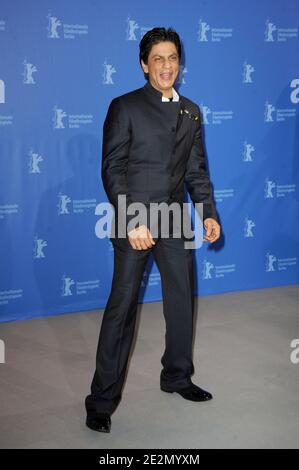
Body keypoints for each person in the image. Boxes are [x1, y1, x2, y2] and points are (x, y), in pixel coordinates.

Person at [85, 27, 221, 433]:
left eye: (173, 58)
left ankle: (177, 376)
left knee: (181, 302)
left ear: (180, 64)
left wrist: (208, 212)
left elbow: (197, 170)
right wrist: (132, 221)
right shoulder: (124, 107)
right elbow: (112, 170)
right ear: (145, 65)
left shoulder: (191, 111)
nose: (166, 65)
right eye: (158, 58)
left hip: (176, 219)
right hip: (136, 221)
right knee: (121, 310)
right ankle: (101, 401)